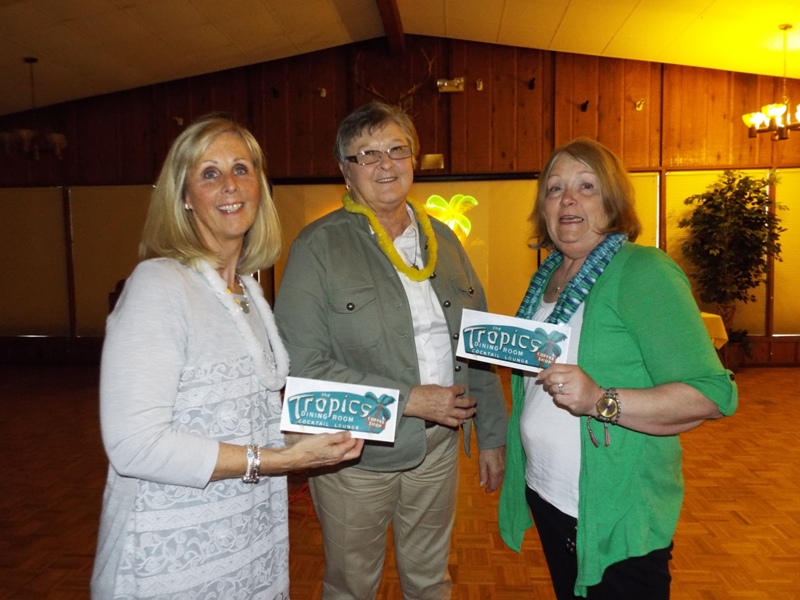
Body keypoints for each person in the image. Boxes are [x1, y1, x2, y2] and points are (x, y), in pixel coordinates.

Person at [91, 114, 363, 599]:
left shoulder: (248, 293)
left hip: (247, 540)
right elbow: (134, 445)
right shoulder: (160, 285)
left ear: (259, 185)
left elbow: (246, 418)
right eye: (209, 173)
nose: (230, 185)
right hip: (170, 552)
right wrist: (278, 461)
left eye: (241, 168)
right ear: (183, 196)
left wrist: (311, 437)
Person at [274, 102, 508, 599]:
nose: (385, 163)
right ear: (345, 171)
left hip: (438, 450)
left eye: (397, 149)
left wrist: (491, 435)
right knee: (351, 587)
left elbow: (477, 342)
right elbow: (302, 366)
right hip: (354, 458)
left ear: (414, 160)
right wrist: (409, 400)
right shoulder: (317, 247)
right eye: (367, 154)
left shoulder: (444, 240)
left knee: (430, 581)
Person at [498, 138, 738, 599]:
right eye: (555, 188)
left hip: (614, 507)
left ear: (613, 201)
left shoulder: (643, 271)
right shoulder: (548, 276)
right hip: (549, 493)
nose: (568, 199)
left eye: (586, 186)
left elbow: (710, 394)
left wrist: (599, 400)